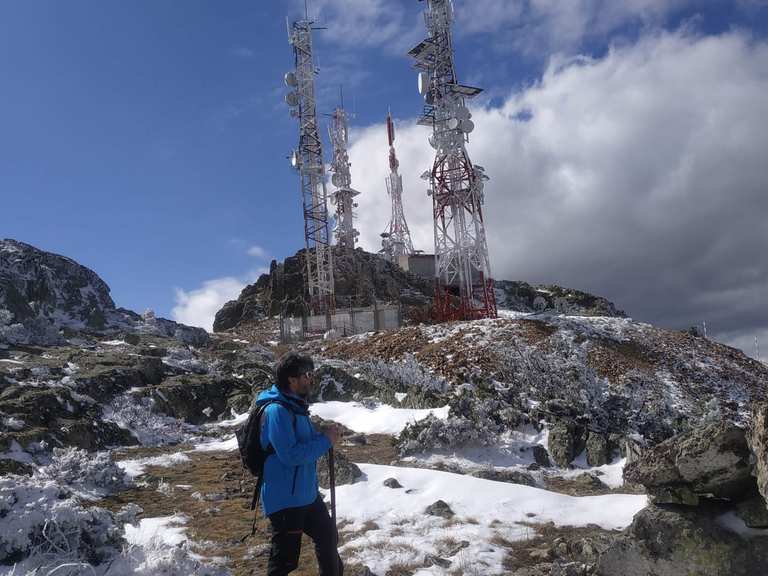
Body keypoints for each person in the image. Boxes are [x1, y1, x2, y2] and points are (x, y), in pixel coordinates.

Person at [255, 352, 343, 576]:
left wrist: (324, 434)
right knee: (283, 563)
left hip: (307, 494)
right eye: (307, 375)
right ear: (291, 380)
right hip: (286, 500)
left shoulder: (297, 407)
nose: (310, 379)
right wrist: (326, 441)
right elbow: (290, 455)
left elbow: (306, 442)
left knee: (328, 537)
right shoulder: (277, 411)